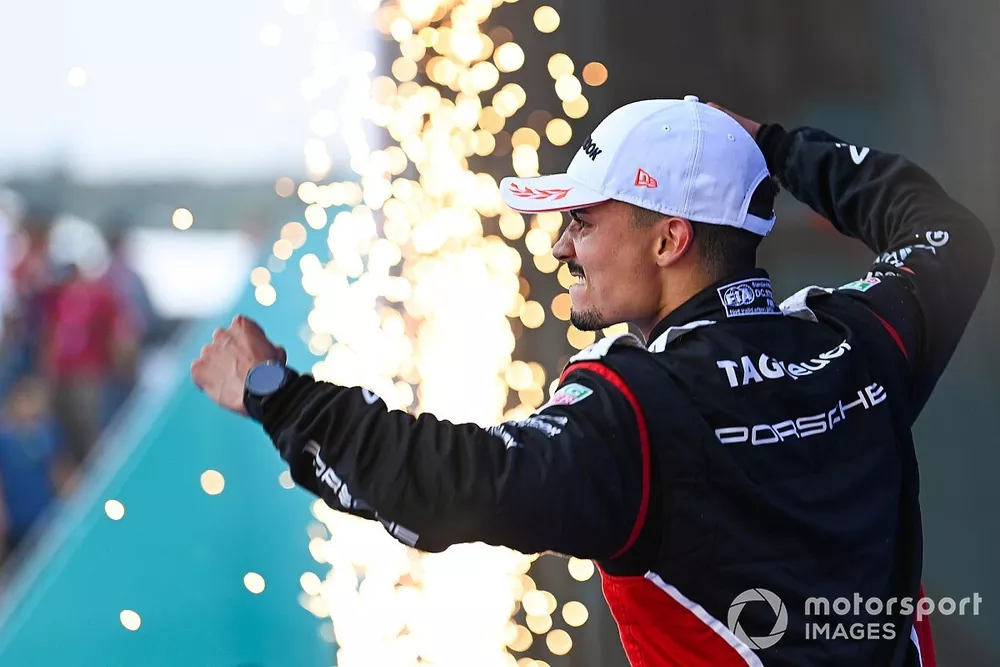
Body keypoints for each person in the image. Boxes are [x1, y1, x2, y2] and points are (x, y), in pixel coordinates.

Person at [191, 97, 994, 667]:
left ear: (669, 239)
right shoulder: (860, 341)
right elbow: (945, 232)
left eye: (582, 220)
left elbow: (444, 482)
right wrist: (780, 150)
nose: (560, 248)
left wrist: (277, 393)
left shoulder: (637, 410)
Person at [0, 375, 73, 568]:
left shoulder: (48, 432)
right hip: (17, 516)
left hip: (45, 512)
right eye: (26, 400)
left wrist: (68, 498)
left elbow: (57, 470)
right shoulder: (4, 439)